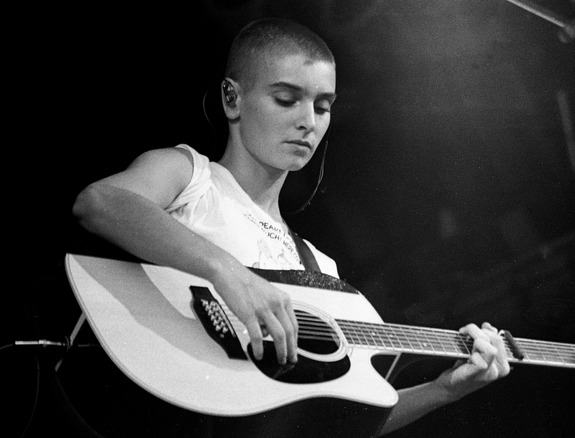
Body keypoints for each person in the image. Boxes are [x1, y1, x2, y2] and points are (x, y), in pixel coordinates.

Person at [72, 17, 510, 435]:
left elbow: (332, 421)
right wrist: (229, 273)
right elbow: (100, 202)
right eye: (286, 99)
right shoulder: (190, 177)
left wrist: (441, 391)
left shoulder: (319, 268)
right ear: (232, 98)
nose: (308, 121)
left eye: (323, 106)